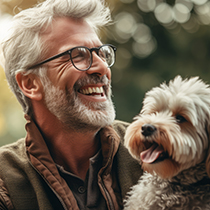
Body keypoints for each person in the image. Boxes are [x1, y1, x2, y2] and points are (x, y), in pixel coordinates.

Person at [0, 0, 142, 209]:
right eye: (78, 55)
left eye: (101, 54)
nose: (102, 67)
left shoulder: (154, 152)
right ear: (30, 84)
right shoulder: (5, 182)